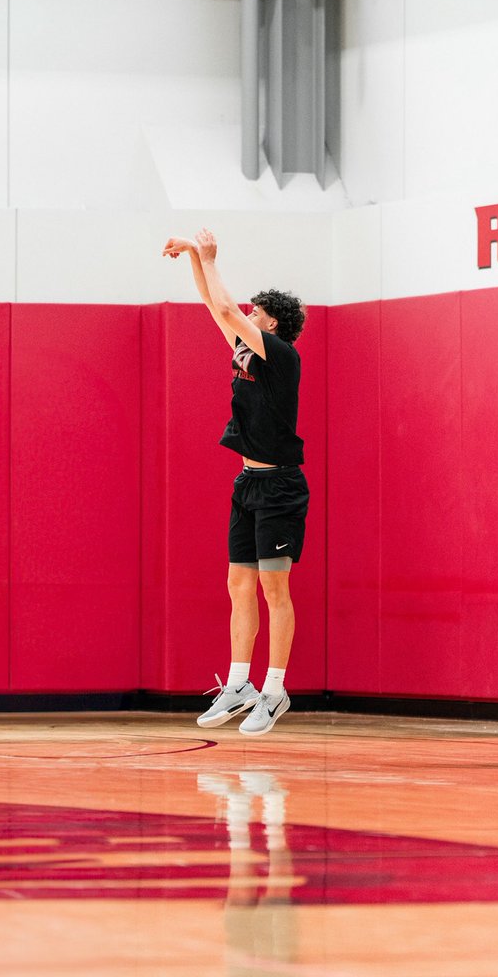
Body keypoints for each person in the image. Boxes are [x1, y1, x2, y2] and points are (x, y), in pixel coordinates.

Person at [162, 229, 308, 736]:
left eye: (256, 311)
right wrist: (194, 261)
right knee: (238, 585)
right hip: (247, 484)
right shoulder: (248, 351)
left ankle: (275, 689)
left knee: (274, 587)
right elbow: (214, 306)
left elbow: (226, 310)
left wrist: (212, 257)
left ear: (271, 323)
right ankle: (241, 683)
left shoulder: (282, 356)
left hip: (281, 486)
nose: (247, 312)